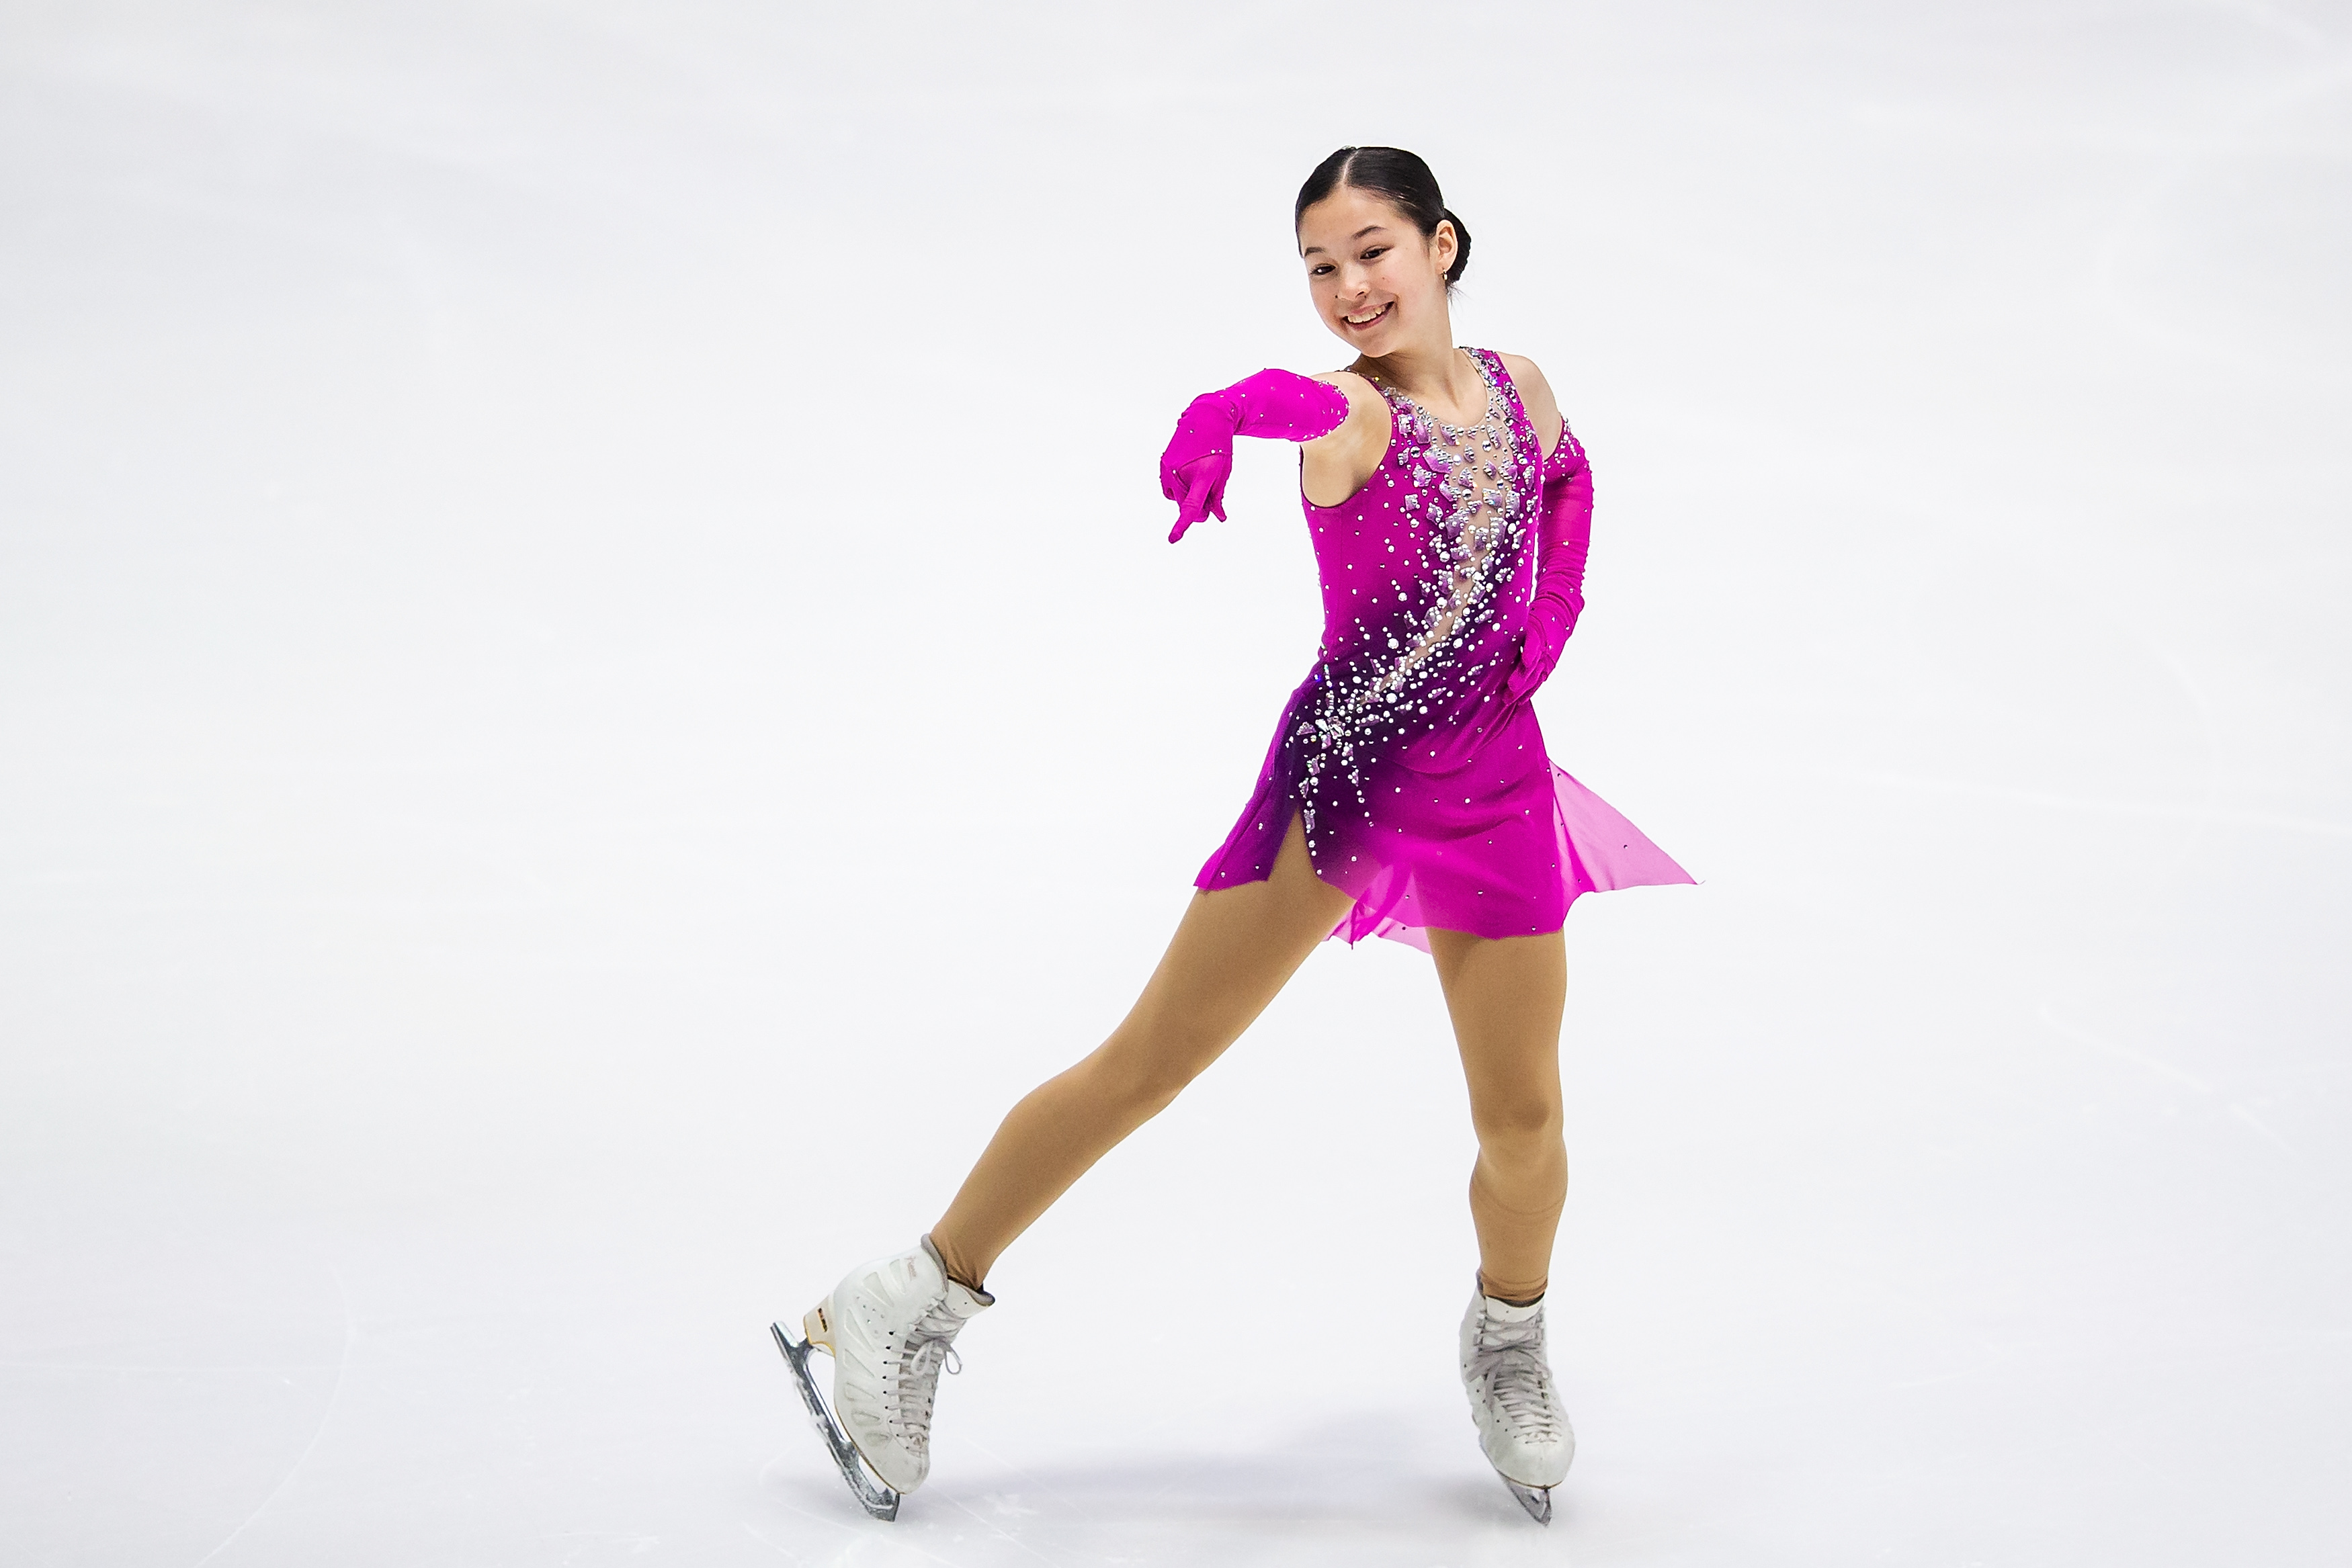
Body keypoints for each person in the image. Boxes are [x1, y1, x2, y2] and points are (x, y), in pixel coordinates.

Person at [773, 145, 1691, 1526]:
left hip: (1497, 779)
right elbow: (1280, 399)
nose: (1348, 287)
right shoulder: (1350, 417)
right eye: (1320, 267)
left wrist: (1550, 617)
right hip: (1348, 785)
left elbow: (1566, 481)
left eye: (1372, 251)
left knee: (1524, 1116)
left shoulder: (1521, 386)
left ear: (1441, 244)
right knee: (1149, 1062)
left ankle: (1509, 1335)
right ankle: (905, 1297)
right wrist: (1217, 411)